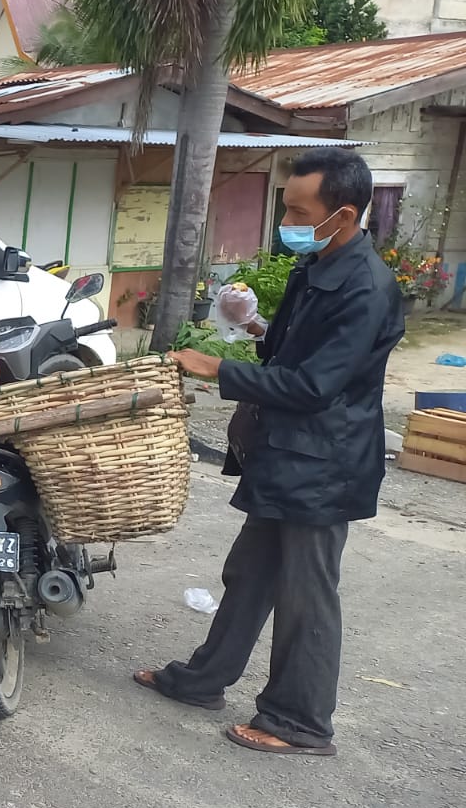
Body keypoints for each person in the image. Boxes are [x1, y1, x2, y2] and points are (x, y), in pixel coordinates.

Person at [140, 147, 404, 756]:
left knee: (306, 595)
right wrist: (253, 327)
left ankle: (300, 721)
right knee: (251, 575)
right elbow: (291, 357)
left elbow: (315, 386)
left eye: (297, 210)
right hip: (288, 454)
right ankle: (204, 679)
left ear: (342, 213)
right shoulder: (317, 270)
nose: (286, 219)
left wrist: (218, 369)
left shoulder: (364, 286)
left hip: (326, 462)